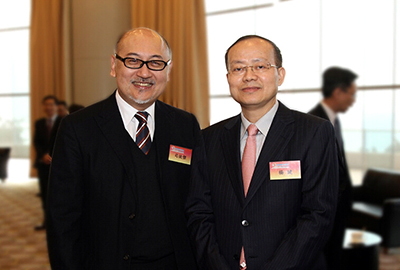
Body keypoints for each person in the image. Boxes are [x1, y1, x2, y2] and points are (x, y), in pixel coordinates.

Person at [47, 28, 199, 270]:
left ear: (168, 71)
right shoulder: (78, 128)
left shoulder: (185, 125)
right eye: (133, 60)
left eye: (156, 63)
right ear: (113, 65)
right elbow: (62, 218)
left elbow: (197, 202)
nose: (144, 72)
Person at [186, 35, 339, 270]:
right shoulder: (208, 139)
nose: (249, 76)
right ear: (228, 79)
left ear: (280, 74)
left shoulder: (314, 132)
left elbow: (318, 215)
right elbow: (199, 213)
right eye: (238, 68)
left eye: (260, 66)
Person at [309, 66, 357, 269]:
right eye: (352, 94)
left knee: (335, 254)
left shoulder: (333, 120)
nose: (353, 100)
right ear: (338, 92)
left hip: (338, 206)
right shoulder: (314, 123)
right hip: (325, 207)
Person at [33, 95, 62, 230]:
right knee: (45, 194)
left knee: (59, 194)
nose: (48, 107)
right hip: (43, 164)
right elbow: (36, 142)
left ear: (56, 106)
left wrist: (53, 156)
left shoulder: (64, 121)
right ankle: (47, 221)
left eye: (51, 104)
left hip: (59, 165)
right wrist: (43, 155)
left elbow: (65, 143)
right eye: (46, 105)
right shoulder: (39, 123)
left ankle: (59, 222)